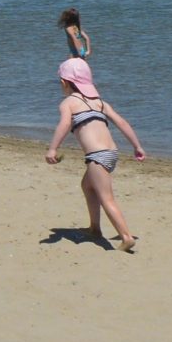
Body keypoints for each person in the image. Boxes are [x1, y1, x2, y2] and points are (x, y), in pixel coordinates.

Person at [45, 57, 146, 249]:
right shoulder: (100, 102)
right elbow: (122, 122)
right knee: (87, 185)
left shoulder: (69, 103)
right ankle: (94, 228)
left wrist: (53, 148)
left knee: (106, 197)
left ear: (64, 83)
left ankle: (125, 236)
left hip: (97, 156)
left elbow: (65, 124)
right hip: (111, 153)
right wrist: (137, 146)